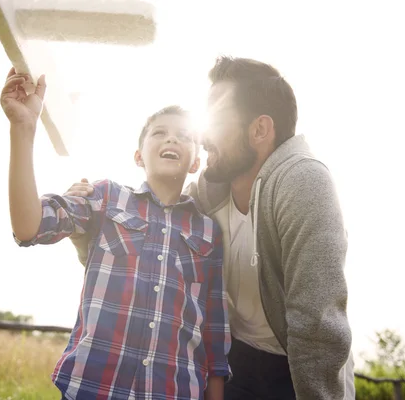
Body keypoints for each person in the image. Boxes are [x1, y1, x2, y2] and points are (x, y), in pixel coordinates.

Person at [66, 56, 355, 399]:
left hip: (295, 369)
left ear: (259, 130)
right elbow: (149, 243)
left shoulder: (303, 183)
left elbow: (317, 324)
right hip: (236, 360)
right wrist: (86, 232)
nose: (202, 136)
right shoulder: (207, 192)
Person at [0, 67, 231, 400]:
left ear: (195, 162)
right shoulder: (106, 198)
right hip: (95, 390)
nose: (171, 139)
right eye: (159, 133)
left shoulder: (208, 232)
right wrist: (23, 128)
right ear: (139, 157)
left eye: (184, 135)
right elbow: (29, 226)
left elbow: (214, 337)